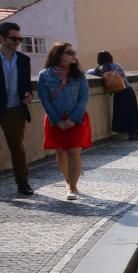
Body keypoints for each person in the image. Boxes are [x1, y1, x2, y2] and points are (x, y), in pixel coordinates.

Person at [38, 43, 91, 200]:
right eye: (69, 52)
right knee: (61, 152)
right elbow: (45, 100)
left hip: (77, 118)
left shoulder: (78, 75)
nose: (73, 55)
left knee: (74, 152)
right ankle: (68, 181)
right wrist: (56, 120)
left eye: (73, 52)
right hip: (56, 120)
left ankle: (73, 188)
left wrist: (74, 119)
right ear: (58, 55)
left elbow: (84, 97)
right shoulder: (44, 75)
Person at [0, 22, 34, 195]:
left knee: (17, 148)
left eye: (19, 39)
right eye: (14, 38)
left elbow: (26, 84)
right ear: (2, 38)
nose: (17, 42)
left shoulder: (23, 59)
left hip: (15, 109)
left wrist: (28, 94)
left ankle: (23, 183)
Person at [87, 51, 138, 140]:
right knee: (132, 112)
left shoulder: (98, 69)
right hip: (127, 90)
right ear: (110, 57)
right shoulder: (117, 66)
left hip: (118, 93)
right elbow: (124, 78)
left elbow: (88, 72)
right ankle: (134, 133)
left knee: (122, 113)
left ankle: (130, 132)